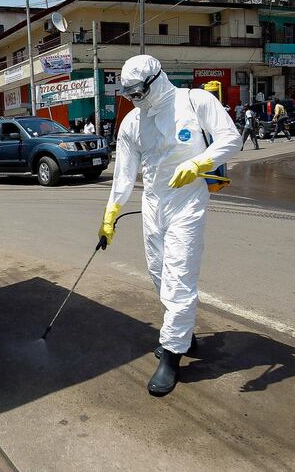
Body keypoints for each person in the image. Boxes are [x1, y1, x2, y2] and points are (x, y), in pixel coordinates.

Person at [98, 55, 241, 396]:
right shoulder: (133, 122)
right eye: (129, 94)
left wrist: (198, 162)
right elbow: (124, 175)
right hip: (153, 204)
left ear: (155, 80)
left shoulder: (196, 101)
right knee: (159, 272)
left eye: (138, 92)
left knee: (179, 278)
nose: (135, 99)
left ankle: (172, 356)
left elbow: (230, 139)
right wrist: (110, 214)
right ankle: (184, 332)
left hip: (186, 203)